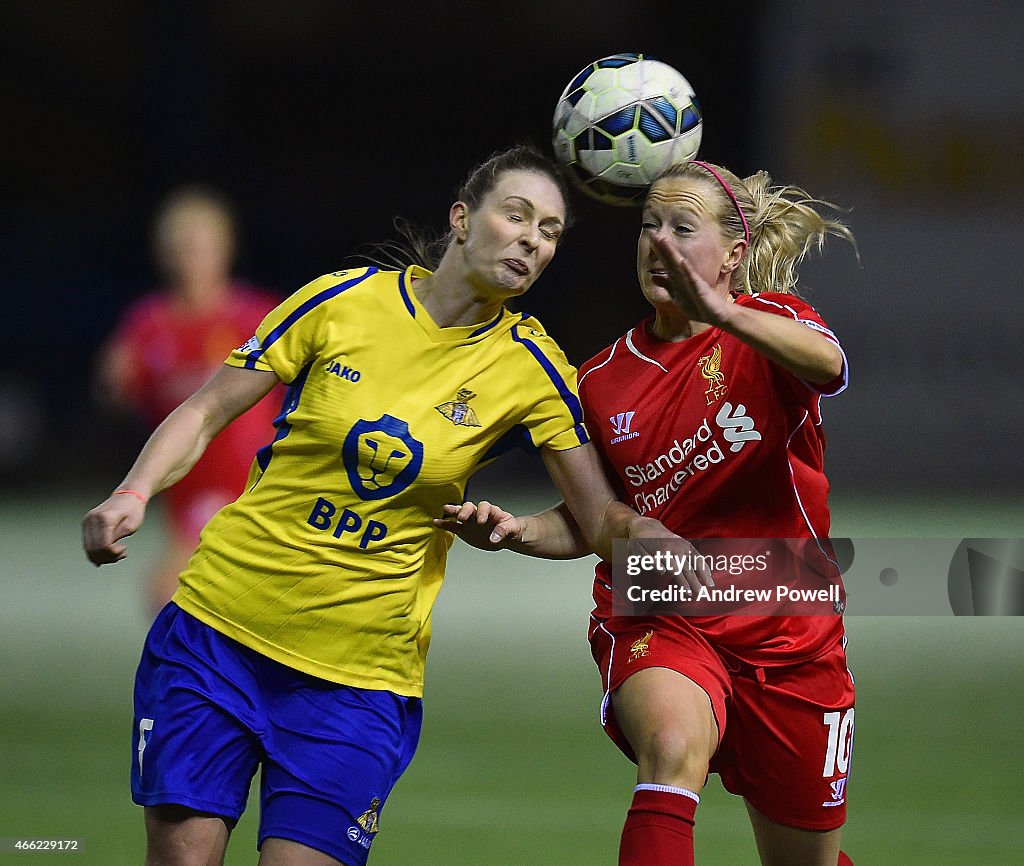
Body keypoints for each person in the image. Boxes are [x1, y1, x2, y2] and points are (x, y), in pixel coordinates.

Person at [81, 144, 701, 866]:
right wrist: (133, 492)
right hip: (218, 631)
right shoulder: (343, 299)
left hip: (358, 682)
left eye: (553, 231)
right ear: (462, 219)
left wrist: (644, 536)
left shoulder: (532, 367)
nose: (534, 239)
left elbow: (597, 518)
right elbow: (206, 410)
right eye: (518, 215)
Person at [438, 159, 858, 866]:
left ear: (734, 254)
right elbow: (595, 518)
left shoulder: (774, 325)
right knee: (670, 746)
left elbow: (829, 367)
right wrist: (520, 532)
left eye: (682, 228)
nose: (658, 243)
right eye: (648, 225)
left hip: (789, 621)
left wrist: (728, 315)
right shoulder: (598, 380)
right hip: (660, 604)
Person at [94, 185, 282, 614]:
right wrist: (112, 385)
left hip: (253, 487)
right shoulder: (148, 324)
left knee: (175, 598)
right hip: (185, 491)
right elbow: (117, 393)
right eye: (179, 248)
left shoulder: (255, 315)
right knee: (179, 603)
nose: (189, 259)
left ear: (225, 249)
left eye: (200, 247)